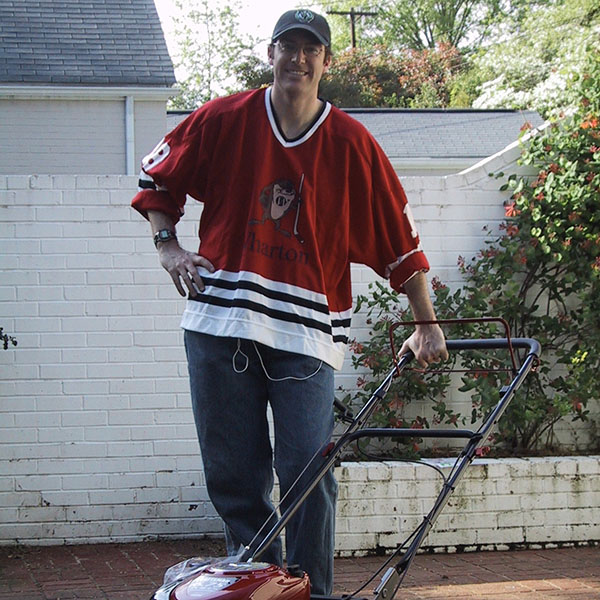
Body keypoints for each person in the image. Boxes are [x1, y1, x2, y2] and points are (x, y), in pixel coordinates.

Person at [132, 9, 448, 595]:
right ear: (271, 54)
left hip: (307, 334)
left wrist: (425, 322)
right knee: (236, 480)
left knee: (308, 472)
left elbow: (400, 241)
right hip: (219, 322)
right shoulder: (224, 117)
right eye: (287, 46)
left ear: (327, 61)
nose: (297, 58)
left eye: (310, 48)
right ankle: (258, 588)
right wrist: (167, 247)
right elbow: (158, 176)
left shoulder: (353, 145)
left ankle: (312, 592)